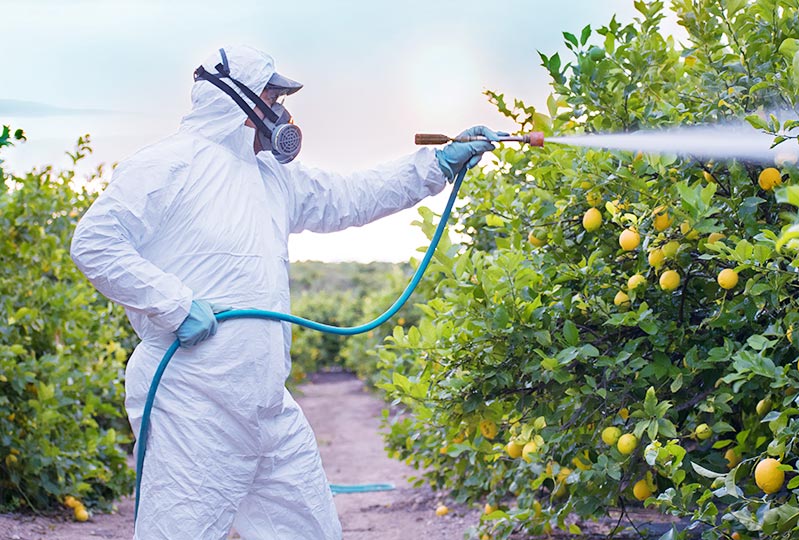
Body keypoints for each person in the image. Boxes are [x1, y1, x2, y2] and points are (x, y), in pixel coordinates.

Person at [70, 45, 499, 539]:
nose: (284, 112)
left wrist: (437, 165)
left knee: (309, 531)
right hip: (193, 403)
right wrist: (175, 305)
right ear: (242, 104)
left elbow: (349, 196)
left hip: (266, 405)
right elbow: (95, 242)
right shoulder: (168, 164)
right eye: (275, 97)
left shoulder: (270, 176)